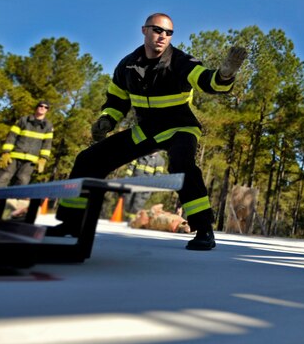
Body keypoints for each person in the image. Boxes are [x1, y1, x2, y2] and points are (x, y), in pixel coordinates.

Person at [49, 13, 247, 251]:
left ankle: (204, 229)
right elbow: (116, 99)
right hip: (146, 130)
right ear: (144, 30)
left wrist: (224, 75)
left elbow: (206, 80)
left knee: (182, 164)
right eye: (157, 30)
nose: (163, 36)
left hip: (179, 126)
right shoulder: (127, 66)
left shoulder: (181, 61)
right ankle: (71, 222)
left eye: (168, 32)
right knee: (88, 159)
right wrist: (107, 120)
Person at [0, 101, 54, 187]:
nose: (43, 108)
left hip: (31, 159)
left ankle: (15, 196)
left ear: (47, 110)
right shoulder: (23, 120)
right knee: (3, 177)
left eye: (46, 107)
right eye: (41, 106)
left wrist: (44, 158)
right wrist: (6, 152)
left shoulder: (48, 126)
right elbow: (12, 136)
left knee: (23, 180)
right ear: (36, 107)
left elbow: (47, 143)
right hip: (14, 156)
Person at [122, 151, 167, 217]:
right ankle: (124, 216)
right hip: (133, 182)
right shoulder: (140, 155)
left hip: (146, 186)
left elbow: (158, 175)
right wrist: (127, 177)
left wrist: (152, 186)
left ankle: (132, 218)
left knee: (138, 203)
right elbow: (131, 166)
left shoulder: (160, 160)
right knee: (127, 200)